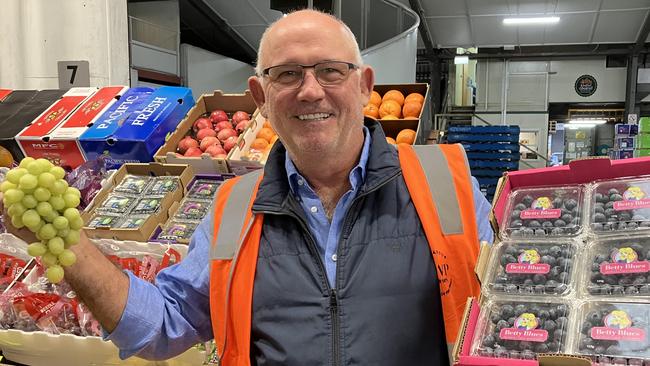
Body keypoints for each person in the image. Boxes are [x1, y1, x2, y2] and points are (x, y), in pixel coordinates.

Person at [4, 9, 493, 366]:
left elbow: (511, 309)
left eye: (330, 70)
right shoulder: (233, 208)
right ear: (261, 96)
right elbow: (163, 327)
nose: (310, 90)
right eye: (286, 74)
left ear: (365, 85)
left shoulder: (444, 183)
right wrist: (64, 242)